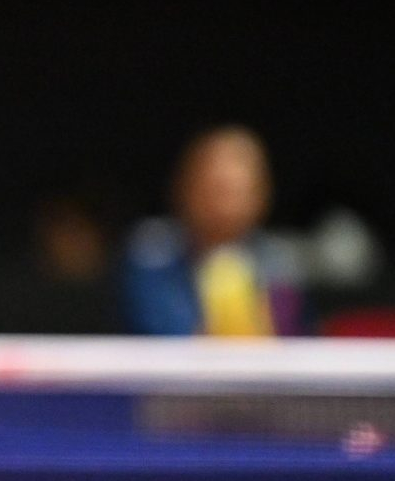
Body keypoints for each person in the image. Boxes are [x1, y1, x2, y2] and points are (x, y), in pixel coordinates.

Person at [121, 126, 302, 338]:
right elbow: (157, 329)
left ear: (262, 195)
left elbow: (296, 339)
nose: (225, 206)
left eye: (236, 191)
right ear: (185, 187)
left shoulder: (278, 264)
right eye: (217, 188)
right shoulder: (153, 254)